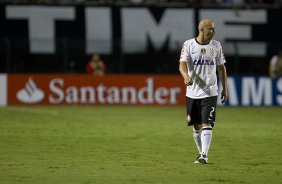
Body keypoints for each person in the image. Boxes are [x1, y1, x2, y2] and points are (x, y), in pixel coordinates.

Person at [179, 19, 228, 164]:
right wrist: (185, 75)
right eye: (210, 29)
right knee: (196, 125)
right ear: (202, 30)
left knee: (207, 123)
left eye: (213, 29)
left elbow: (222, 68)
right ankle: (201, 153)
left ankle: (204, 155)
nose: (213, 32)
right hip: (192, 92)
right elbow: (181, 64)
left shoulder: (216, 46)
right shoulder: (188, 44)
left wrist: (225, 89)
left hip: (210, 91)